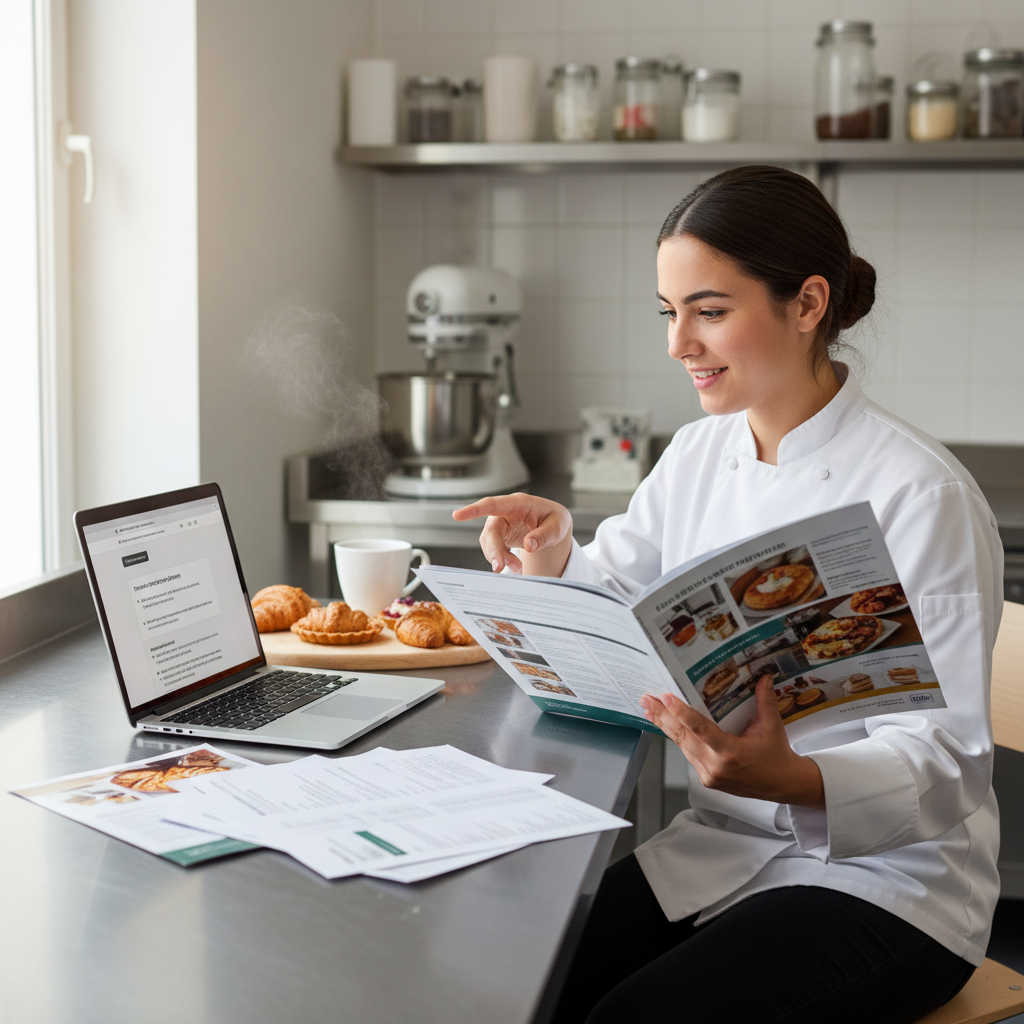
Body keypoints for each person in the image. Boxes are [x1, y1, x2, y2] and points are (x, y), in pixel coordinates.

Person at [452, 165, 1003, 1024]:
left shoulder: (918, 493)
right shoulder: (700, 454)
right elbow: (621, 609)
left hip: (890, 882)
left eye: (710, 311)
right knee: (516, 983)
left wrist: (803, 777)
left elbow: (951, 760)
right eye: (670, 314)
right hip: (723, 845)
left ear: (808, 304)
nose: (680, 345)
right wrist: (559, 559)